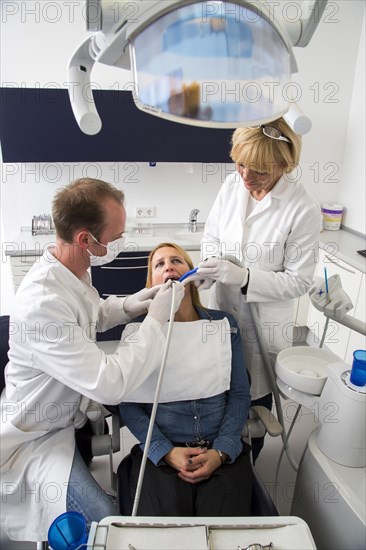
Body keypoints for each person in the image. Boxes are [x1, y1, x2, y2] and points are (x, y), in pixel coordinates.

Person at [0, 178, 184, 542]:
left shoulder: (71, 271)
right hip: (34, 440)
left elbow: (92, 313)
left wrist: (133, 303)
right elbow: (109, 383)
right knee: (106, 525)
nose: (118, 245)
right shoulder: (42, 303)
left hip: (64, 422)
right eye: (114, 239)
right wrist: (157, 321)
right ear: (85, 239)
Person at [197, 119, 322, 462]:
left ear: (285, 164)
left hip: (264, 325)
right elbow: (211, 234)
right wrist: (211, 265)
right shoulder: (231, 184)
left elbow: (298, 281)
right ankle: (218, 458)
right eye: (240, 164)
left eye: (260, 171)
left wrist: (244, 277)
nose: (247, 177)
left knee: (253, 399)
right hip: (222, 309)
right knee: (219, 387)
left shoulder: (303, 208)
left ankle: (248, 465)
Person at [119, 243, 252, 516]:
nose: (168, 266)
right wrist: (165, 451)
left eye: (176, 260)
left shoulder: (222, 326)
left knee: (225, 525)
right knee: (165, 529)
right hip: (163, 456)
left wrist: (222, 451)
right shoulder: (137, 335)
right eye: (159, 264)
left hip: (218, 450)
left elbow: (239, 394)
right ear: (151, 284)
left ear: (192, 276)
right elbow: (129, 405)